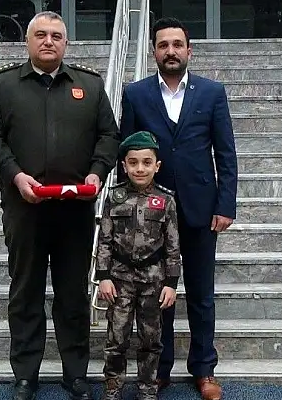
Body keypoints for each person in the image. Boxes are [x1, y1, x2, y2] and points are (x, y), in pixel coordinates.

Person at [0, 11, 121, 400]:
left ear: (66, 44)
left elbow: (109, 136)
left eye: (56, 36)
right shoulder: (4, 85)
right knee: (26, 292)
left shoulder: (89, 86)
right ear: (27, 41)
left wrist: (97, 173)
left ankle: (76, 374)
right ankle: (26, 375)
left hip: (75, 212)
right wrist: (15, 176)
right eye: (40, 34)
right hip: (25, 209)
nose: (48, 41)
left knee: (72, 295)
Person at [118, 17, 238, 400]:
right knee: (157, 294)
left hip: (201, 210)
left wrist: (226, 204)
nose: (170, 51)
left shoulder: (212, 93)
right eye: (163, 45)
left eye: (177, 44)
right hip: (152, 213)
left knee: (201, 294)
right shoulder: (135, 94)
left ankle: (204, 370)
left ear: (189, 50)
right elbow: (125, 153)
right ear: (153, 51)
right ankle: (160, 369)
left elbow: (226, 153)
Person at [95, 130, 181, 400]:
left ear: (157, 166)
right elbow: (104, 240)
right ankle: (113, 387)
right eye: (133, 163)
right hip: (119, 280)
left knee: (150, 340)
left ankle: (147, 388)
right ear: (124, 166)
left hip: (153, 281)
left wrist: (171, 283)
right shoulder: (114, 197)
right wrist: (103, 276)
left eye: (146, 162)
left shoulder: (165, 200)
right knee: (116, 338)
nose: (139, 169)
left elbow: (173, 246)